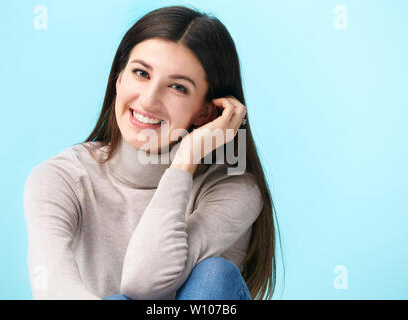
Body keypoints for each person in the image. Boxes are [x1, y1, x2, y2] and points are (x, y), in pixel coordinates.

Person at [23, 5, 281, 300]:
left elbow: (143, 282)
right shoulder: (61, 178)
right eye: (141, 73)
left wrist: (185, 162)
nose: (148, 99)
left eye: (178, 87)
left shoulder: (232, 189)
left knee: (214, 275)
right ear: (119, 78)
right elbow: (53, 289)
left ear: (207, 112)